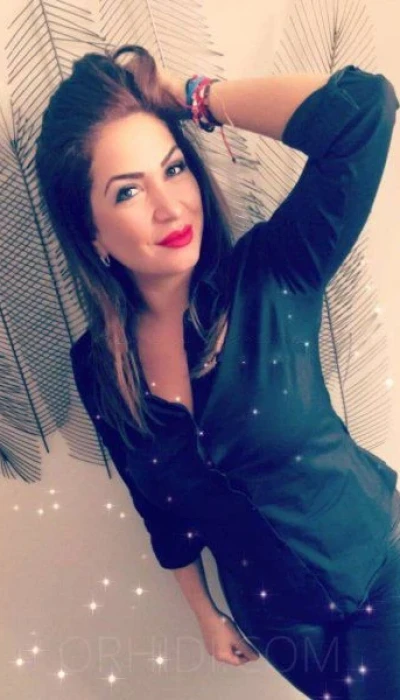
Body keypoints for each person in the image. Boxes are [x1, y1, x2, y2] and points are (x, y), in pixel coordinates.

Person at [35, 45, 400, 698]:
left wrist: (190, 97)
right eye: (128, 191)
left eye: (174, 169)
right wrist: (205, 613)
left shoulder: (274, 272)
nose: (170, 206)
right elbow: (161, 511)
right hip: (280, 624)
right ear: (91, 232)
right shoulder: (97, 368)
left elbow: (363, 111)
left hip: (380, 571)